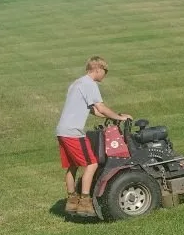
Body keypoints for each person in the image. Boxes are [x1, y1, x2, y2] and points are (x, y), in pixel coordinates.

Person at [56, 56, 131, 217]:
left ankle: (71, 201)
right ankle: (84, 201)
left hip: (62, 130)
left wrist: (115, 115)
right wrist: (120, 118)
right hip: (73, 132)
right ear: (97, 69)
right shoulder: (90, 85)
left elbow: (94, 111)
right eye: (105, 71)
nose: (105, 75)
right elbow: (101, 108)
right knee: (92, 163)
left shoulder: (77, 83)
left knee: (72, 166)